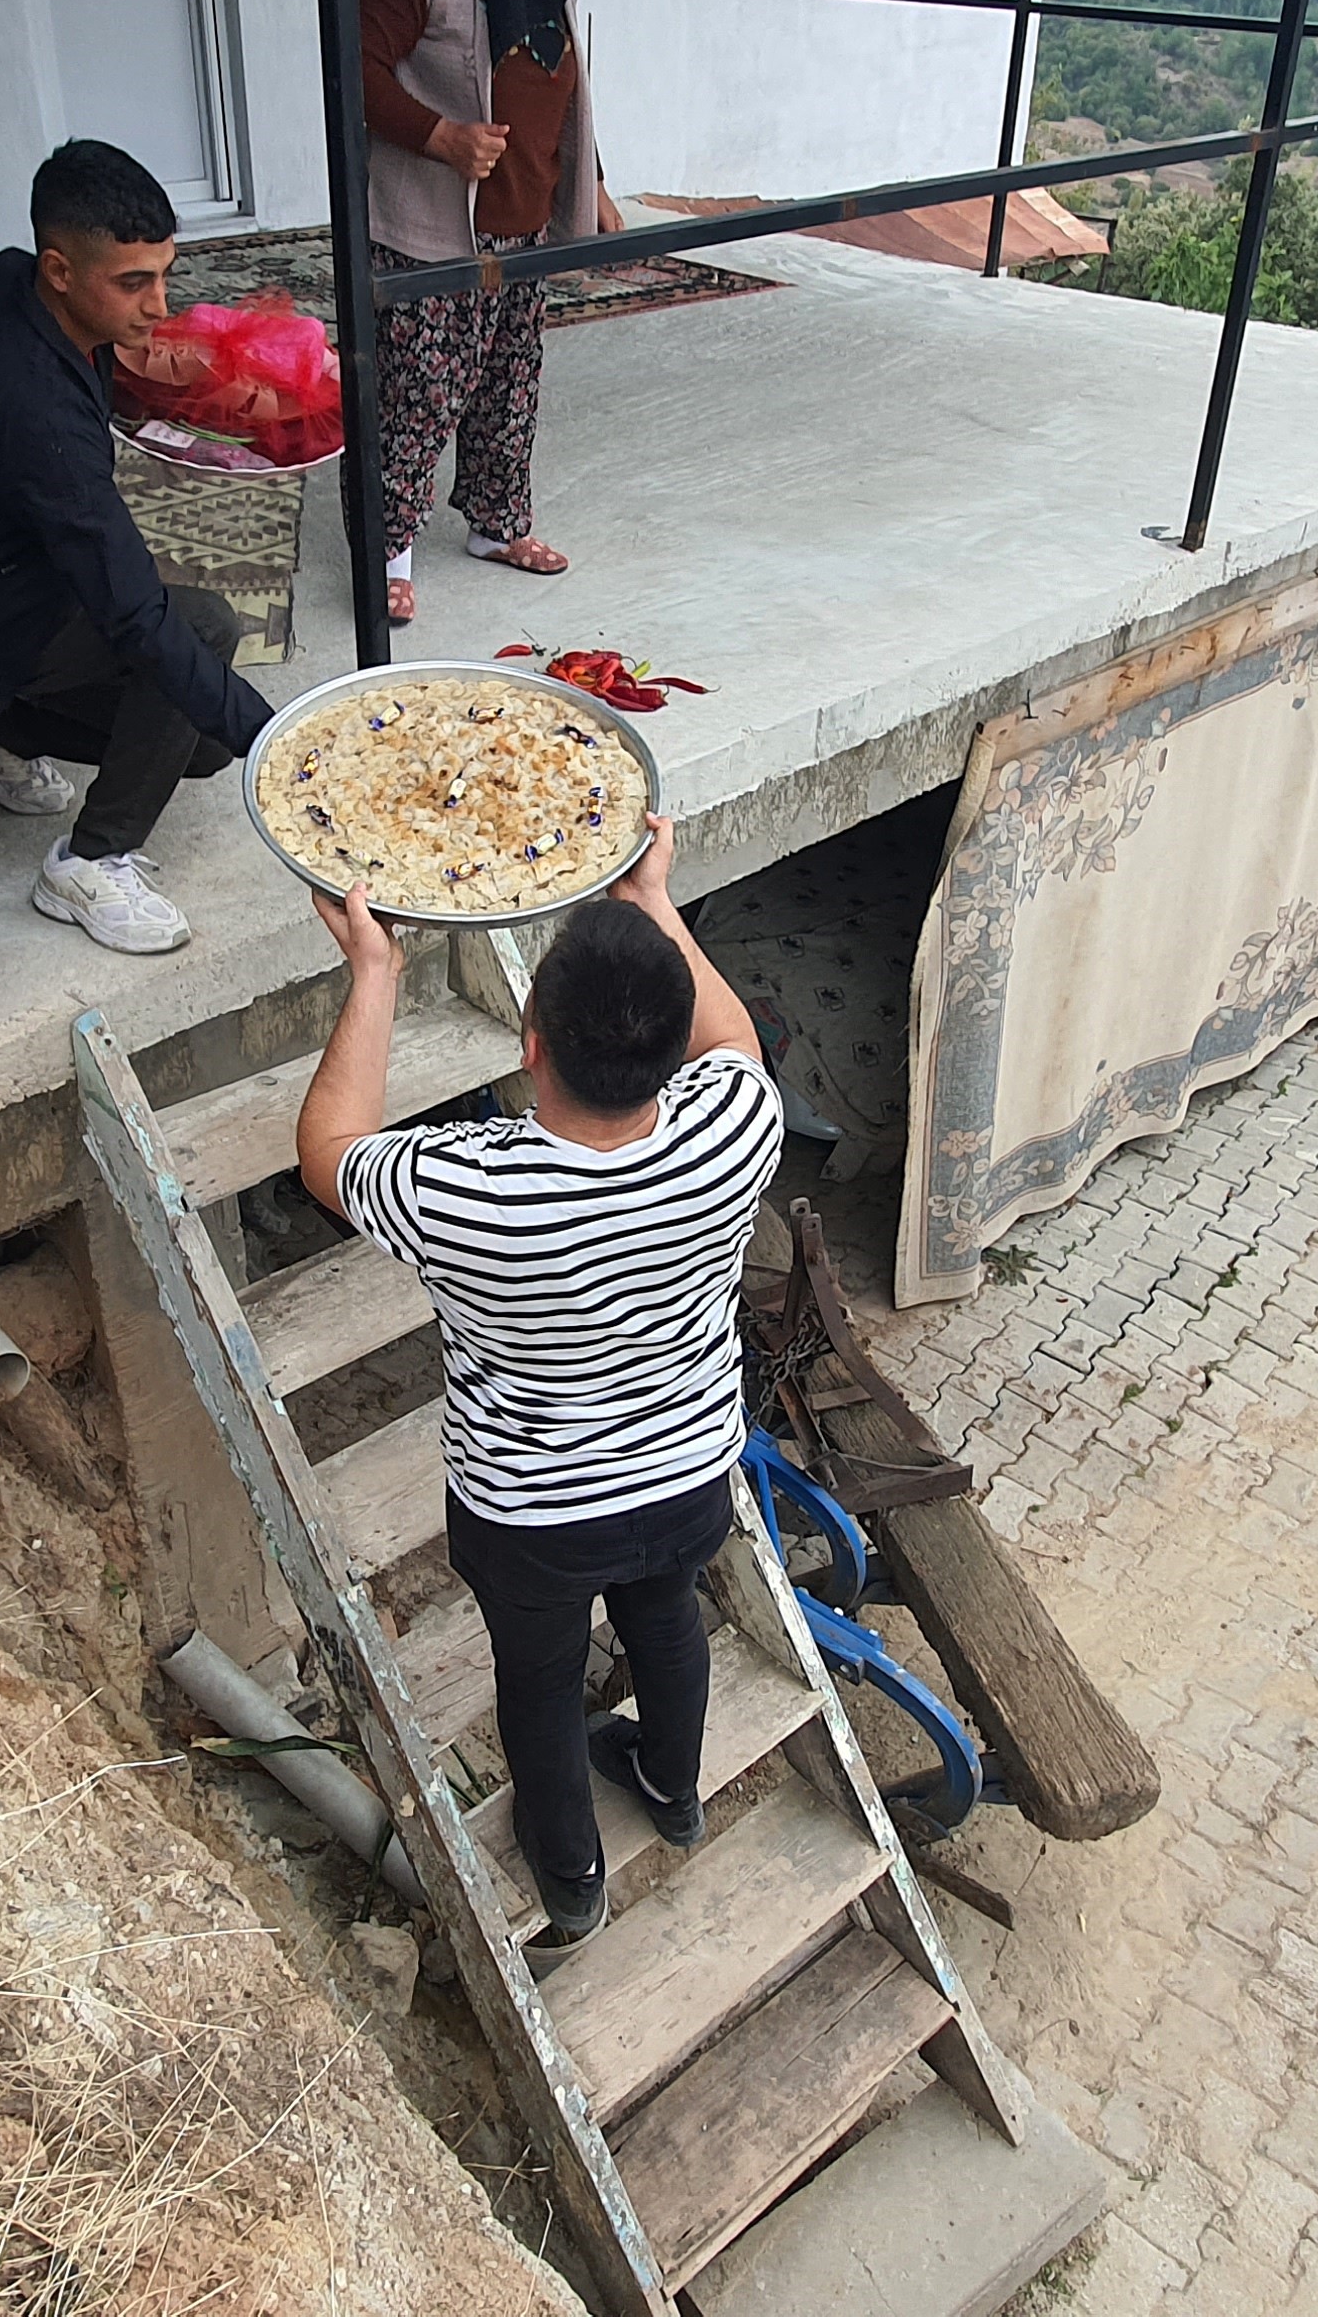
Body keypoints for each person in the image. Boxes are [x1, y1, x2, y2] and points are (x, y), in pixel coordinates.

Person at [297, 813, 780, 1950]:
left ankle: (572, 1879)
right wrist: (654, 895)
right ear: (674, 1054)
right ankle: (674, 1789)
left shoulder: (468, 1192)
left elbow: (327, 1148)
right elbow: (737, 1035)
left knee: (541, 1680)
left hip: (535, 1512)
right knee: (669, 1620)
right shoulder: (738, 1122)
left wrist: (375, 970)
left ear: (529, 1041)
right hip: (688, 1473)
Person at [0, 141, 275, 955]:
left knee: (190, 739)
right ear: (60, 269)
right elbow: (134, 612)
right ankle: (87, 864)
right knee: (199, 636)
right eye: (133, 283)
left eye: (165, 275)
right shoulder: (35, 414)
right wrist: (281, 741)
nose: (158, 305)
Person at [361, 0, 618, 624]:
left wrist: (597, 184)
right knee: (422, 386)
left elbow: (563, 86)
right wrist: (441, 136)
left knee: (510, 380)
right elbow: (352, 71)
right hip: (434, 220)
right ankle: (389, 546)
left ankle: (495, 525)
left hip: (521, 212)